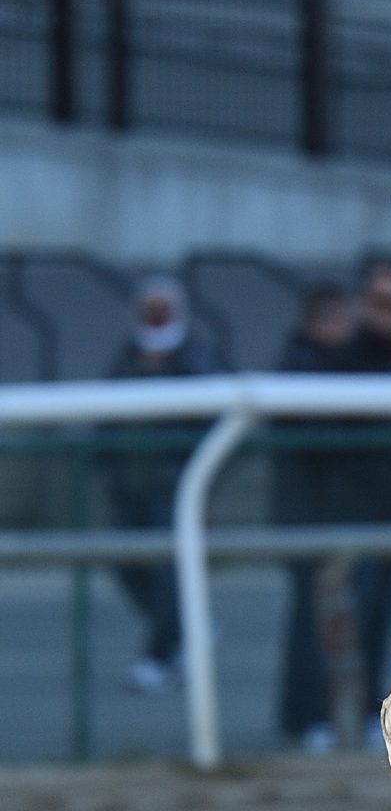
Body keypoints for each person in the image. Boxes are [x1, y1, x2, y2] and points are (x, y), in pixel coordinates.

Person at [273, 266, 391, 751]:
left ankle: (360, 715)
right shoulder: (326, 359)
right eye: (383, 303)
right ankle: (308, 719)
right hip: (329, 515)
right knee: (317, 620)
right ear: (360, 304)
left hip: (380, 514)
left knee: (375, 617)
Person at [102, 276, 221, 694]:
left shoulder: (197, 361)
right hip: (130, 486)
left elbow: (216, 428)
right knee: (128, 565)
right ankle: (188, 627)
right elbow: (105, 417)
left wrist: (205, 487)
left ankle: (159, 652)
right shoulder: (126, 357)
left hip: (175, 486)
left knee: (170, 571)